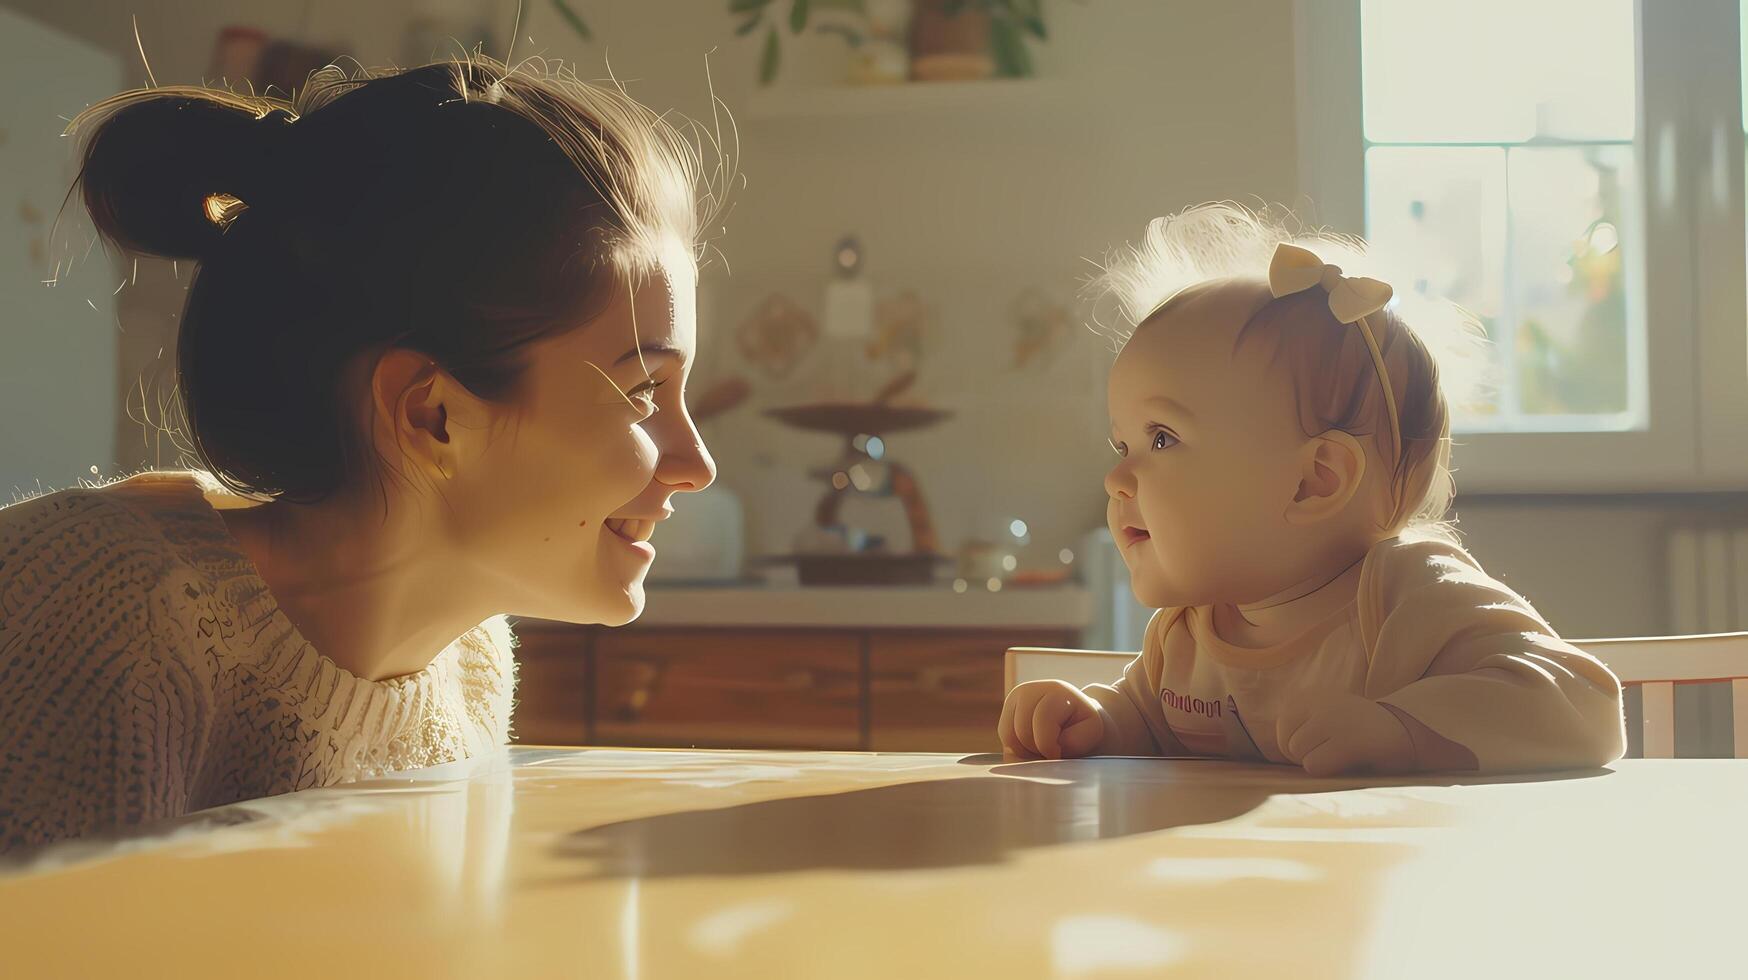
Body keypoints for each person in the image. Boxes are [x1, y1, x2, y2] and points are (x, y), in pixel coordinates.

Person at [0, 56, 726, 849]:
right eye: (643, 393)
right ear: (432, 416)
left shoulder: (473, 664)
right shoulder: (100, 612)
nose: (696, 465)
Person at [999, 204, 1625, 775]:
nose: (1116, 478)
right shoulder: (1188, 632)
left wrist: (1403, 730)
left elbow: (1585, 706)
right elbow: (1148, 725)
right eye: (1123, 446)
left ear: (1314, 481)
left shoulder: (1405, 596)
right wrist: (1096, 723)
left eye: (1162, 438)